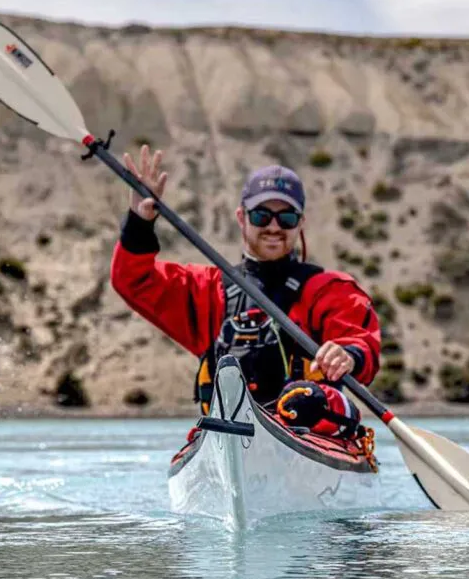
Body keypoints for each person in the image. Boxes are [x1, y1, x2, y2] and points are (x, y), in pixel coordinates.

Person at [110, 144, 381, 441]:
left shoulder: (331, 289)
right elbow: (133, 280)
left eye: (287, 217)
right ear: (242, 217)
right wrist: (139, 222)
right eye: (262, 216)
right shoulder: (208, 289)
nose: (274, 227)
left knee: (303, 400)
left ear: (301, 222)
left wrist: (349, 355)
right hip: (230, 432)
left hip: (310, 429)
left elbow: (361, 341)